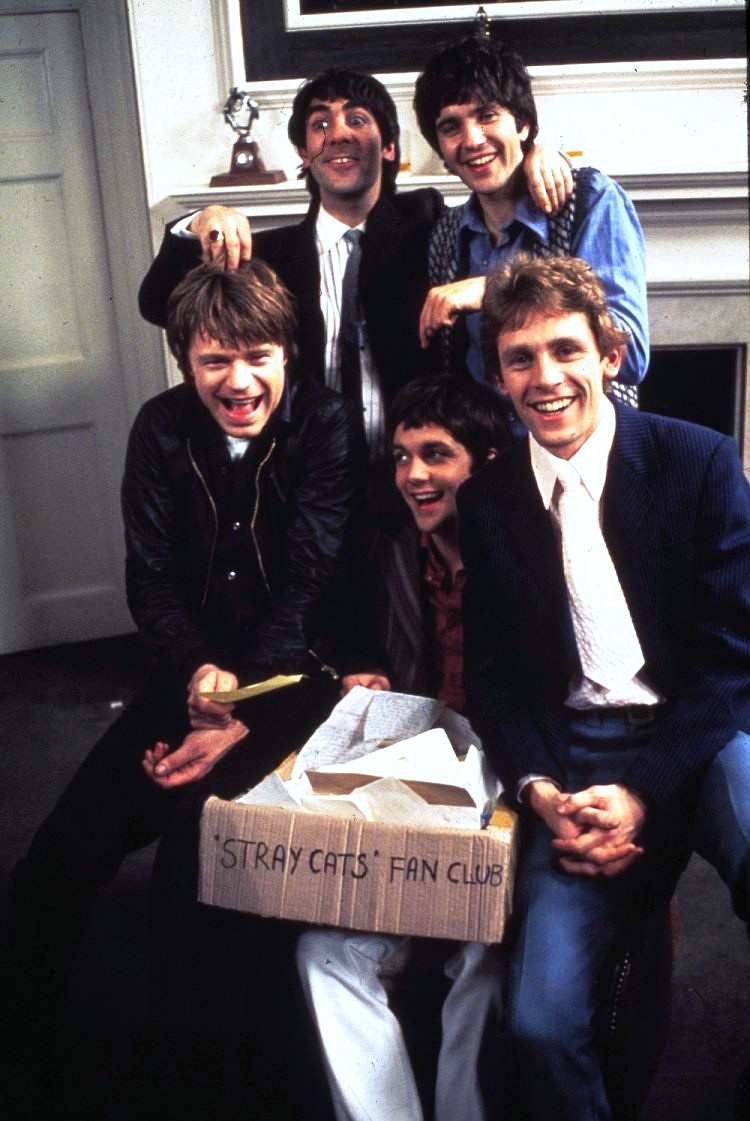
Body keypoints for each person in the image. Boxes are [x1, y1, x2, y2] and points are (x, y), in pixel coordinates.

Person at [3, 259, 366, 1116]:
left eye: (257, 355)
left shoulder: (325, 423)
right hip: (190, 672)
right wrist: (197, 672)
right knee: (58, 855)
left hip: (292, 683)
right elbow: (151, 579)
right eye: (214, 361)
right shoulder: (158, 428)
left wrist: (235, 697)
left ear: (287, 352)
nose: (239, 380)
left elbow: (311, 582)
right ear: (184, 361)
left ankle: (197, 1082)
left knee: (193, 862)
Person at [458, 253, 750, 1121]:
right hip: (572, 762)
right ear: (498, 373)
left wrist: (642, 792)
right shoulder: (489, 502)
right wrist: (542, 792)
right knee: (542, 1023)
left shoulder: (697, 460)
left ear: (609, 355)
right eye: (520, 357)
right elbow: (496, 680)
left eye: (564, 350)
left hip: (699, 737)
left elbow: (733, 657)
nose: (544, 378)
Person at [138, 67, 570, 463]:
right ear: (304, 154)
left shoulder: (430, 224)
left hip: (414, 471)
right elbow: (158, 304)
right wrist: (199, 221)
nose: (337, 135)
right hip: (307, 477)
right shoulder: (268, 256)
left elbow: (507, 230)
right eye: (320, 124)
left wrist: (536, 156)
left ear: (389, 147)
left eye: (357, 120)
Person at [295, 375, 513, 1121]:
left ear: (483, 462)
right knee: (322, 952)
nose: (413, 474)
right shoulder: (386, 547)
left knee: (486, 953)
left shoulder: (524, 558)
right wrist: (358, 668)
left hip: (500, 793)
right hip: (408, 782)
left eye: (435, 455)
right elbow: (338, 632)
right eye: (400, 457)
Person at [414, 36, 648, 411]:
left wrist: (492, 290)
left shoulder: (589, 200)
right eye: (451, 127)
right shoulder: (446, 234)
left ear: (522, 124)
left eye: (487, 115)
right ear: (441, 148)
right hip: (495, 456)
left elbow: (630, 354)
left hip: (585, 448)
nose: (472, 140)